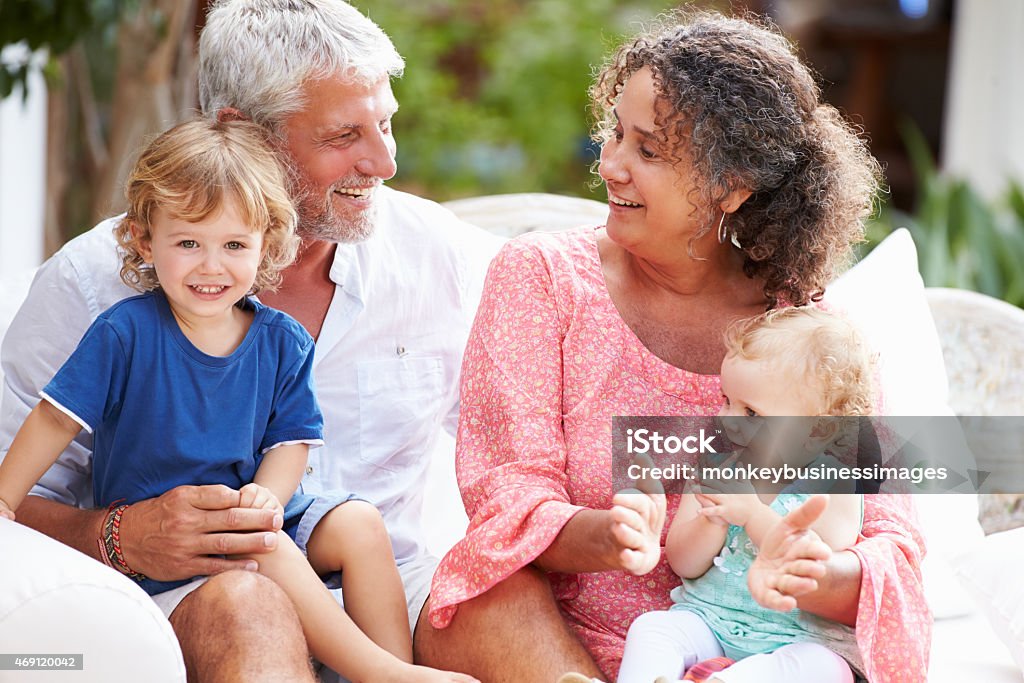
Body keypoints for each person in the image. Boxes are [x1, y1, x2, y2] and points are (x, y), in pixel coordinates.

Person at [417, 10, 929, 683]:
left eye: (648, 150)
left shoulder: (806, 329)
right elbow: (508, 494)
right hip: (556, 637)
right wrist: (604, 534)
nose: (610, 165)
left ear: (732, 185)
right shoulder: (541, 276)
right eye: (614, 135)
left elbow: (890, 542)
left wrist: (806, 566)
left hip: (753, 655)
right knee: (480, 596)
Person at [0, 1, 497, 681]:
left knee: (501, 597)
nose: (385, 161)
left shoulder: (440, 256)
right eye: (344, 133)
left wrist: (660, 496)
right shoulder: (96, 294)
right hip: (193, 592)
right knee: (249, 599)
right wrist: (118, 535)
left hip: (384, 584)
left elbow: (550, 424)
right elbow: (13, 498)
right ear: (244, 133)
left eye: (385, 122)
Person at [614, 308, 873, 683]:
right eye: (726, 400)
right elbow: (684, 563)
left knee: (823, 668)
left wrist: (752, 514)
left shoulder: (834, 481)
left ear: (817, 432)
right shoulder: (717, 464)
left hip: (797, 638)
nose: (727, 419)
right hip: (711, 623)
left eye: (751, 412)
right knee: (653, 628)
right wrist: (712, 519)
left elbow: (817, 564)